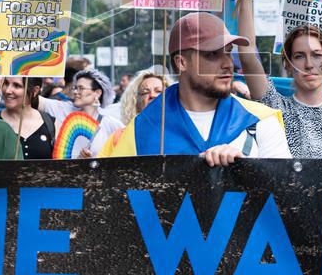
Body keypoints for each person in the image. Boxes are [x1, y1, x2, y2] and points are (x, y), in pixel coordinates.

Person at [108, 12, 292, 165]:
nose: (228, 63)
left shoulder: (259, 120)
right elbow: (114, 199)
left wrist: (245, 169)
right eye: (212, 54)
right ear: (181, 62)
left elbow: (285, 196)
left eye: (228, 52)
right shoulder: (141, 129)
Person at [233, 0, 322, 159]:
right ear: (288, 64)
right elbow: (248, 52)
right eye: (299, 56)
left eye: (317, 55)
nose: (309, 64)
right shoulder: (274, 108)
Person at [92, 69, 171, 156]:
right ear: (136, 103)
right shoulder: (119, 136)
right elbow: (103, 166)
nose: (152, 95)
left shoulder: (180, 131)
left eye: (159, 91)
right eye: (145, 92)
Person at [38, 68, 115, 158]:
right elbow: (37, 100)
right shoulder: (65, 109)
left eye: (81, 88)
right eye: (75, 88)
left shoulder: (110, 123)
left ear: (97, 93)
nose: (75, 92)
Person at [0, 76, 53, 159]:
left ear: (35, 91)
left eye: (16, 85)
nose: (7, 90)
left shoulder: (51, 124)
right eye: (6, 83)